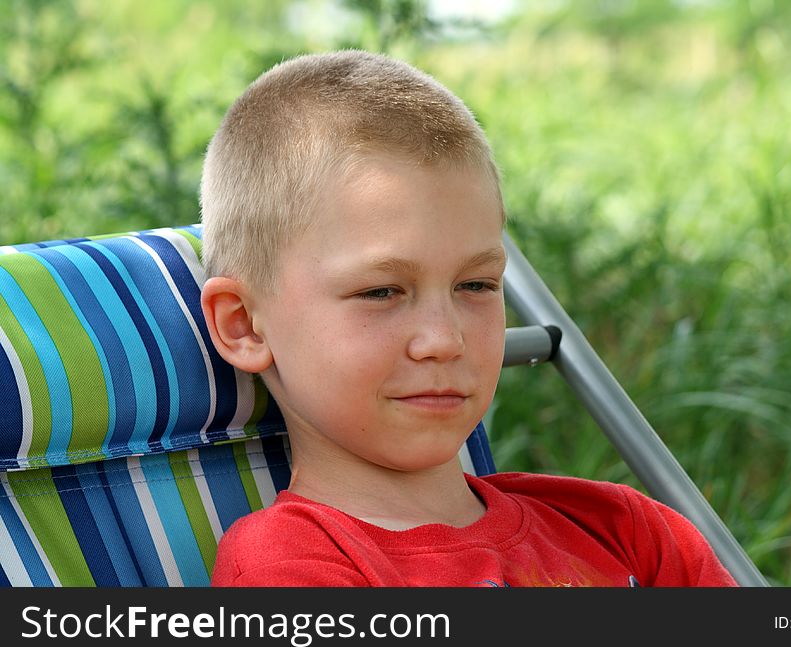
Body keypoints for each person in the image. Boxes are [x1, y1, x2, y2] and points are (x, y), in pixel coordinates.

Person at [200, 49, 737, 587]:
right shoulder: (290, 568)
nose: (444, 339)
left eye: (476, 285)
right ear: (244, 325)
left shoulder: (624, 530)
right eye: (382, 291)